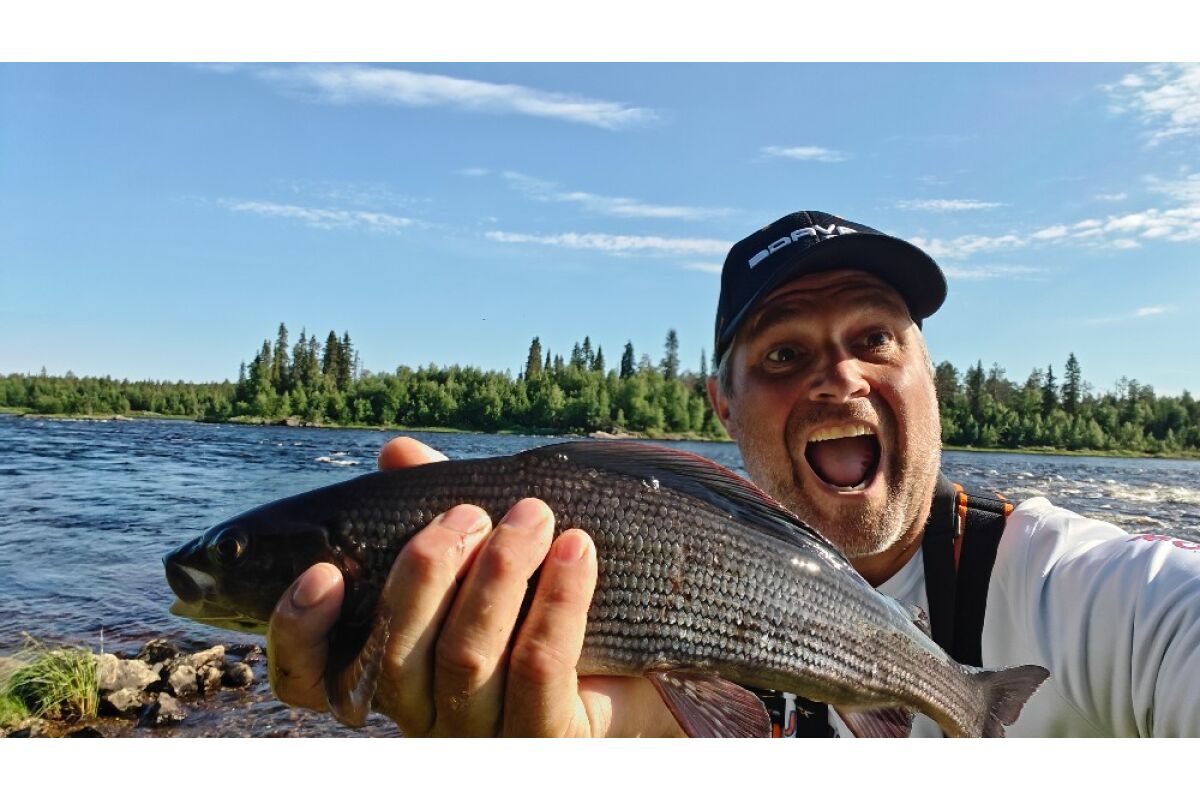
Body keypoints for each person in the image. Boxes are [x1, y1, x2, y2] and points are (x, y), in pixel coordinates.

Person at [267, 210, 1200, 737]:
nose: (839, 376)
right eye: (784, 354)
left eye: (875, 338)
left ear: (930, 376)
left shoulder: (1101, 595)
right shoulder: (656, 566)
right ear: (721, 405)